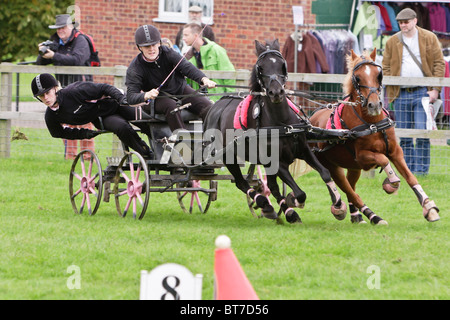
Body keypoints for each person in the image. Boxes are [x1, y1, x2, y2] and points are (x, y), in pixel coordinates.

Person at [382, 8, 445, 175]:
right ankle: (408, 171)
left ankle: (422, 172)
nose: (403, 25)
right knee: (405, 135)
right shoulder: (392, 41)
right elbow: (385, 66)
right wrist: (391, 87)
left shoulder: (429, 37)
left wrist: (435, 90)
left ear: (415, 21)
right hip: (400, 94)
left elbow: (439, 63)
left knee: (422, 132)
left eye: (406, 22)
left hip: (423, 92)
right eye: (401, 22)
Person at [31, 73, 153, 159]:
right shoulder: (51, 116)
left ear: (55, 89)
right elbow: (57, 133)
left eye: (47, 93)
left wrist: (121, 99)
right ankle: (147, 154)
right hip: (102, 117)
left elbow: (104, 88)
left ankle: (163, 149)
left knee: (146, 122)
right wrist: (83, 134)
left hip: (117, 103)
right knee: (121, 127)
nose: (46, 98)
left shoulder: (74, 91)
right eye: (41, 96)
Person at [126, 25, 216, 132]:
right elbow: (131, 97)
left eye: (154, 45)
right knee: (171, 106)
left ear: (159, 43)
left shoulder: (168, 52)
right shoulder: (135, 68)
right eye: (147, 47)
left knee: (208, 107)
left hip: (179, 89)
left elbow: (186, 67)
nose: (151, 49)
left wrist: (204, 79)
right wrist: (146, 95)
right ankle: (182, 142)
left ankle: (213, 139)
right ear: (139, 47)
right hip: (157, 99)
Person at [36, 14, 95, 160]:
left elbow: (77, 60)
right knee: (66, 122)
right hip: (62, 90)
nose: (60, 31)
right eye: (58, 28)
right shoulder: (56, 42)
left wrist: (54, 56)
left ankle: (87, 157)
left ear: (71, 27)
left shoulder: (81, 40)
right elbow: (40, 63)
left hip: (81, 90)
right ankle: (70, 157)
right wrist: (43, 51)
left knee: (84, 121)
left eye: (63, 27)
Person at [182, 23, 235, 102]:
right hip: (199, 100)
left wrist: (229, 99)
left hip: (218, 100)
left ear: (196, 35)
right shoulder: (188, 55)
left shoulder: (216, 50)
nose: (183, 38)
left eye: (186, 35)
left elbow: (229, 74)